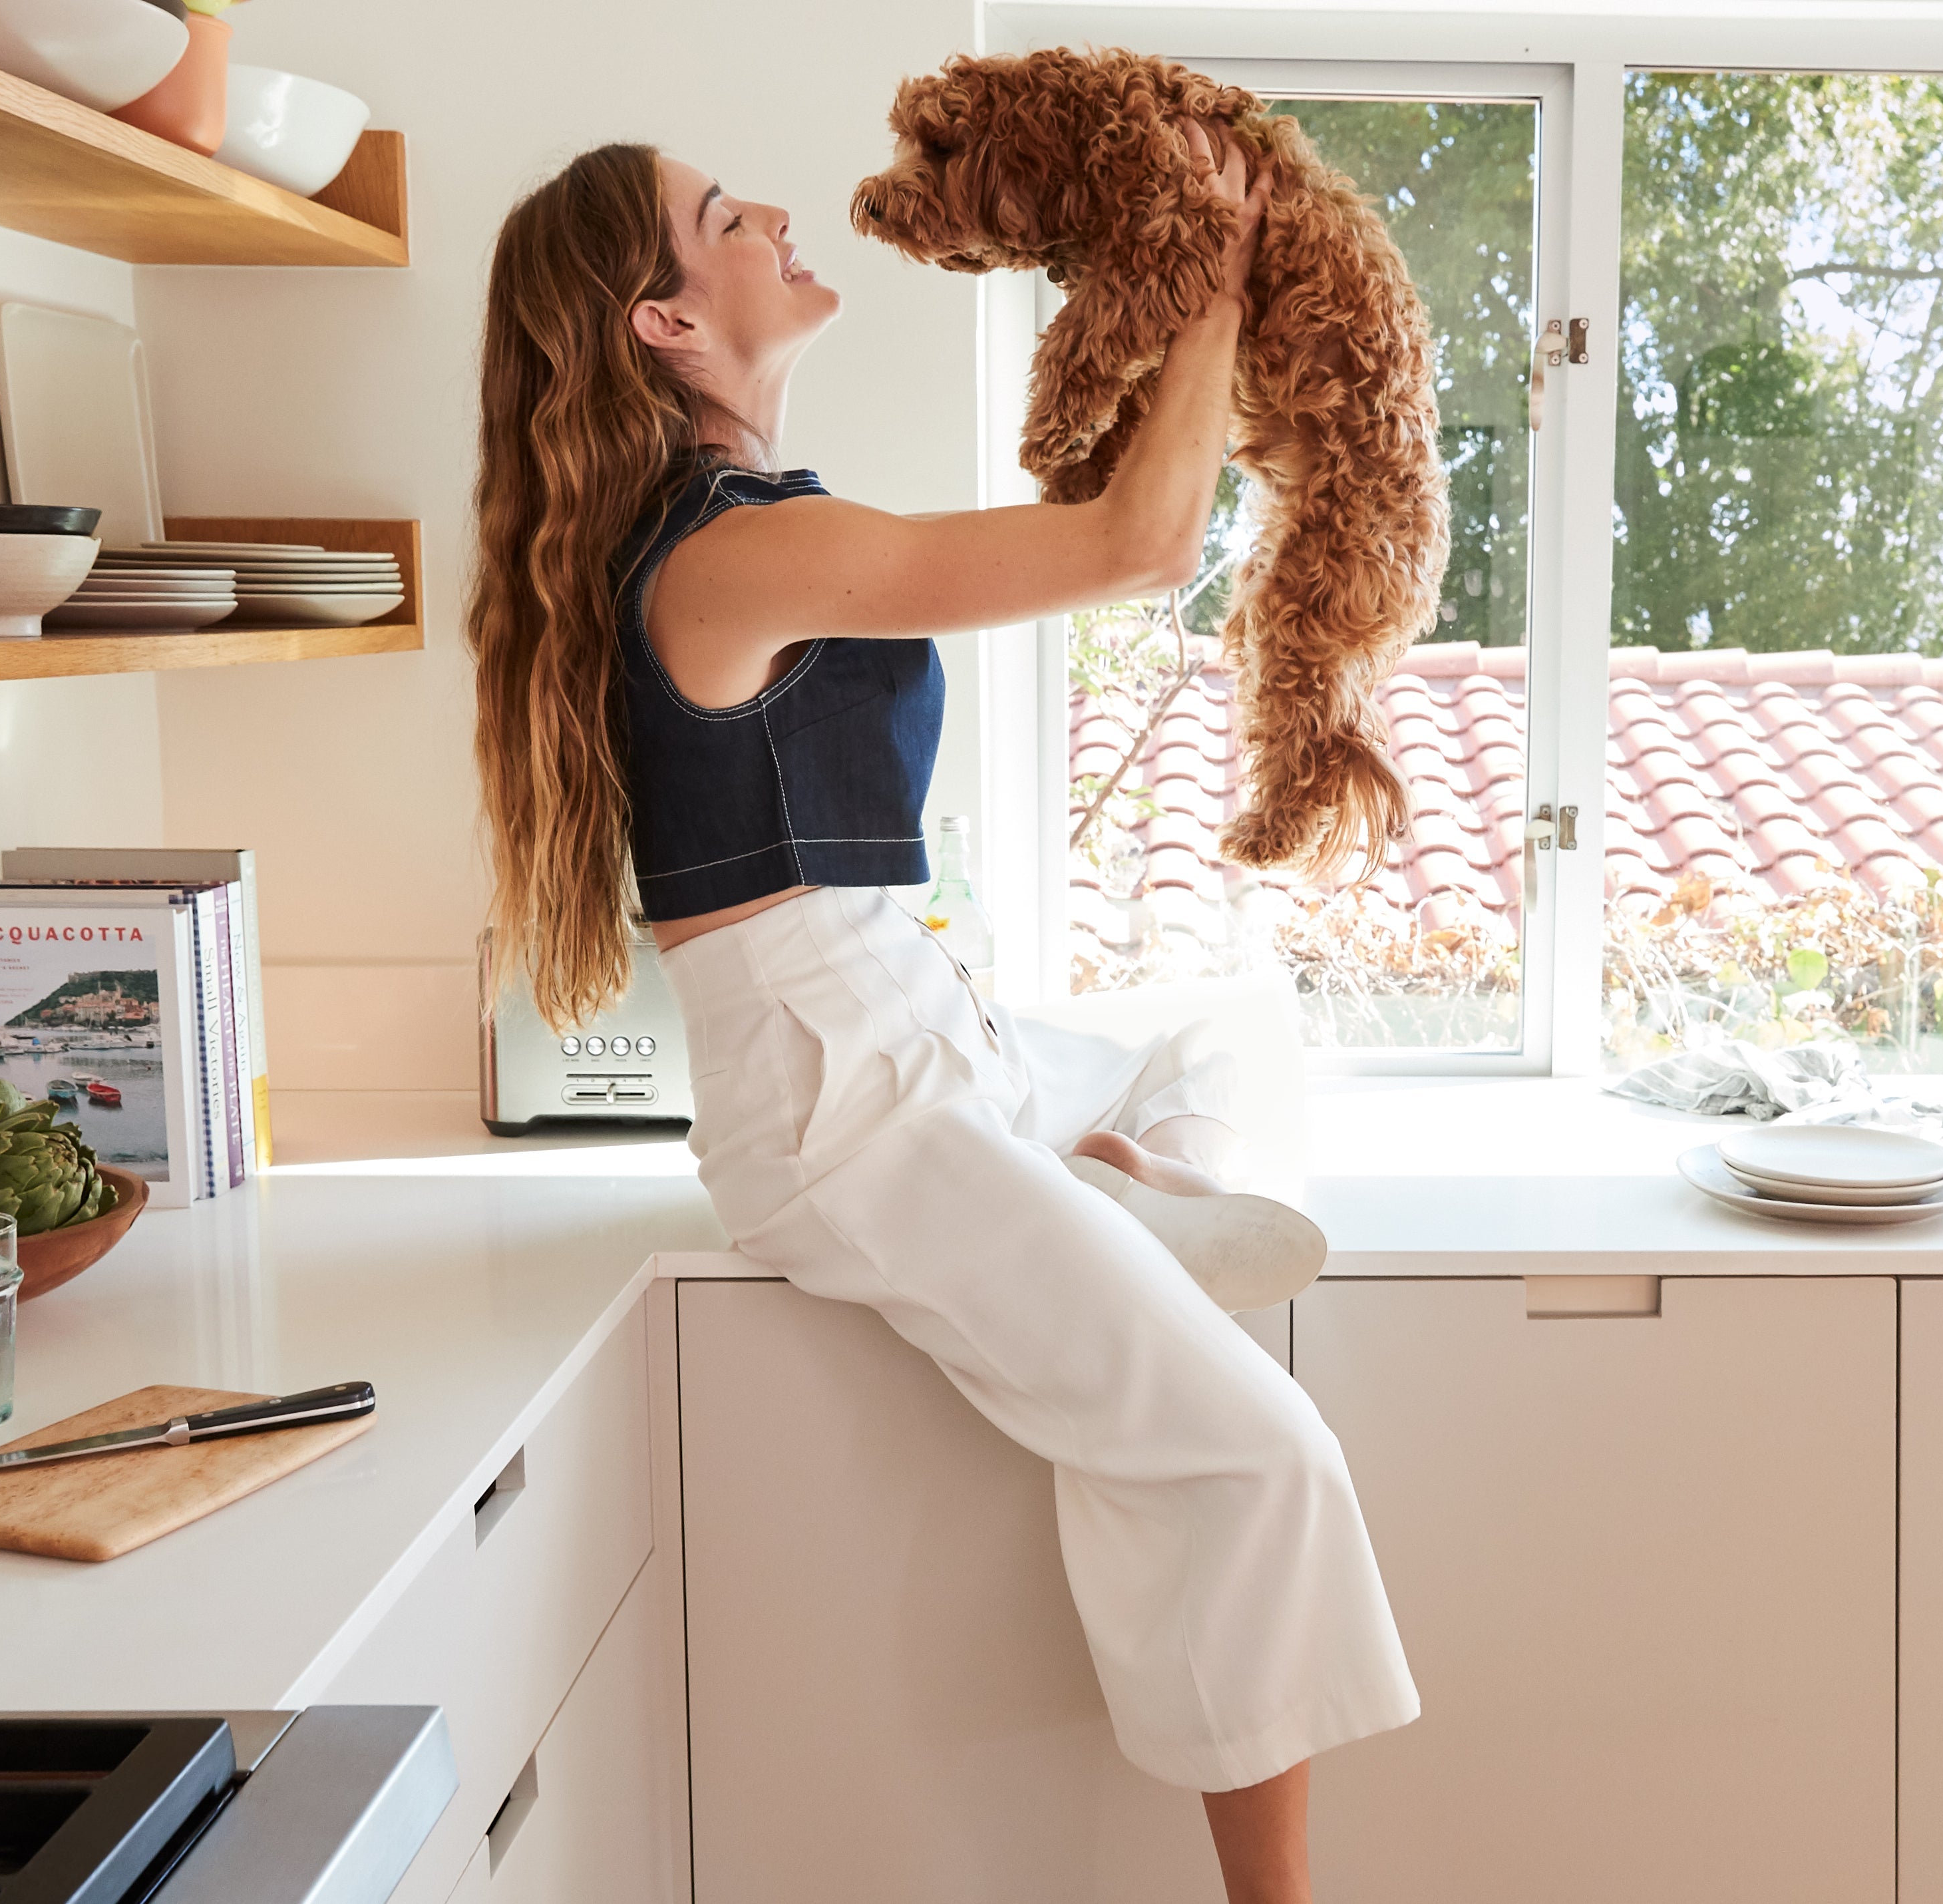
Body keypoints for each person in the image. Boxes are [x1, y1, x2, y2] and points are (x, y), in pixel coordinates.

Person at [465, 138, 1419, 1903]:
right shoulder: (731, 557)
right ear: (665, 318)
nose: (769, 216)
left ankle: (1120, 1188)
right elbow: (1143, 544)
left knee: (1228, 1032)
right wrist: (1204, 276)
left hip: (906, 1025)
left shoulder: (745, 528)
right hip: (853, 1105)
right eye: (720, 219)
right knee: (1260, 1453)